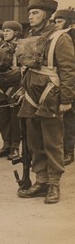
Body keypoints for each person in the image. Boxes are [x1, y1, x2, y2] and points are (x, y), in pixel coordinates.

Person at [17, 0, 75, 204]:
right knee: (35, 143)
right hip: (31, 98)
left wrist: (66, 99)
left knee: (52, 143)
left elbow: (69, 71)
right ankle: (40, 181)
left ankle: (53, 184)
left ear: (47, 15)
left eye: (35, 13)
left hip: (50, 96)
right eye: (30, 12)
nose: (30, 16)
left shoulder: (60, 38)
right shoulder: (31, 36)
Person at [0, 21, 23, 160]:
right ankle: (6, 145)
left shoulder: (21, 47)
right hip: (0, 87)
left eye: (8, 31)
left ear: (16, 33)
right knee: (2, 117)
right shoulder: (0, 46)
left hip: (15, 87)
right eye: (4, 30)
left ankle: (15, 147)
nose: (5, 33)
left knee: (15, 118)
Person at [53, 9, 75, 166]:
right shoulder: (57, 38)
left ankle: (69, 151)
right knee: (65, 119)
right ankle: (65, 150)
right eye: (55, 22)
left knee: (69, 119)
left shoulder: (68, 37)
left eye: (59, 22)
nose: (56, 25)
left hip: (70, 82)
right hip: (63, 82)